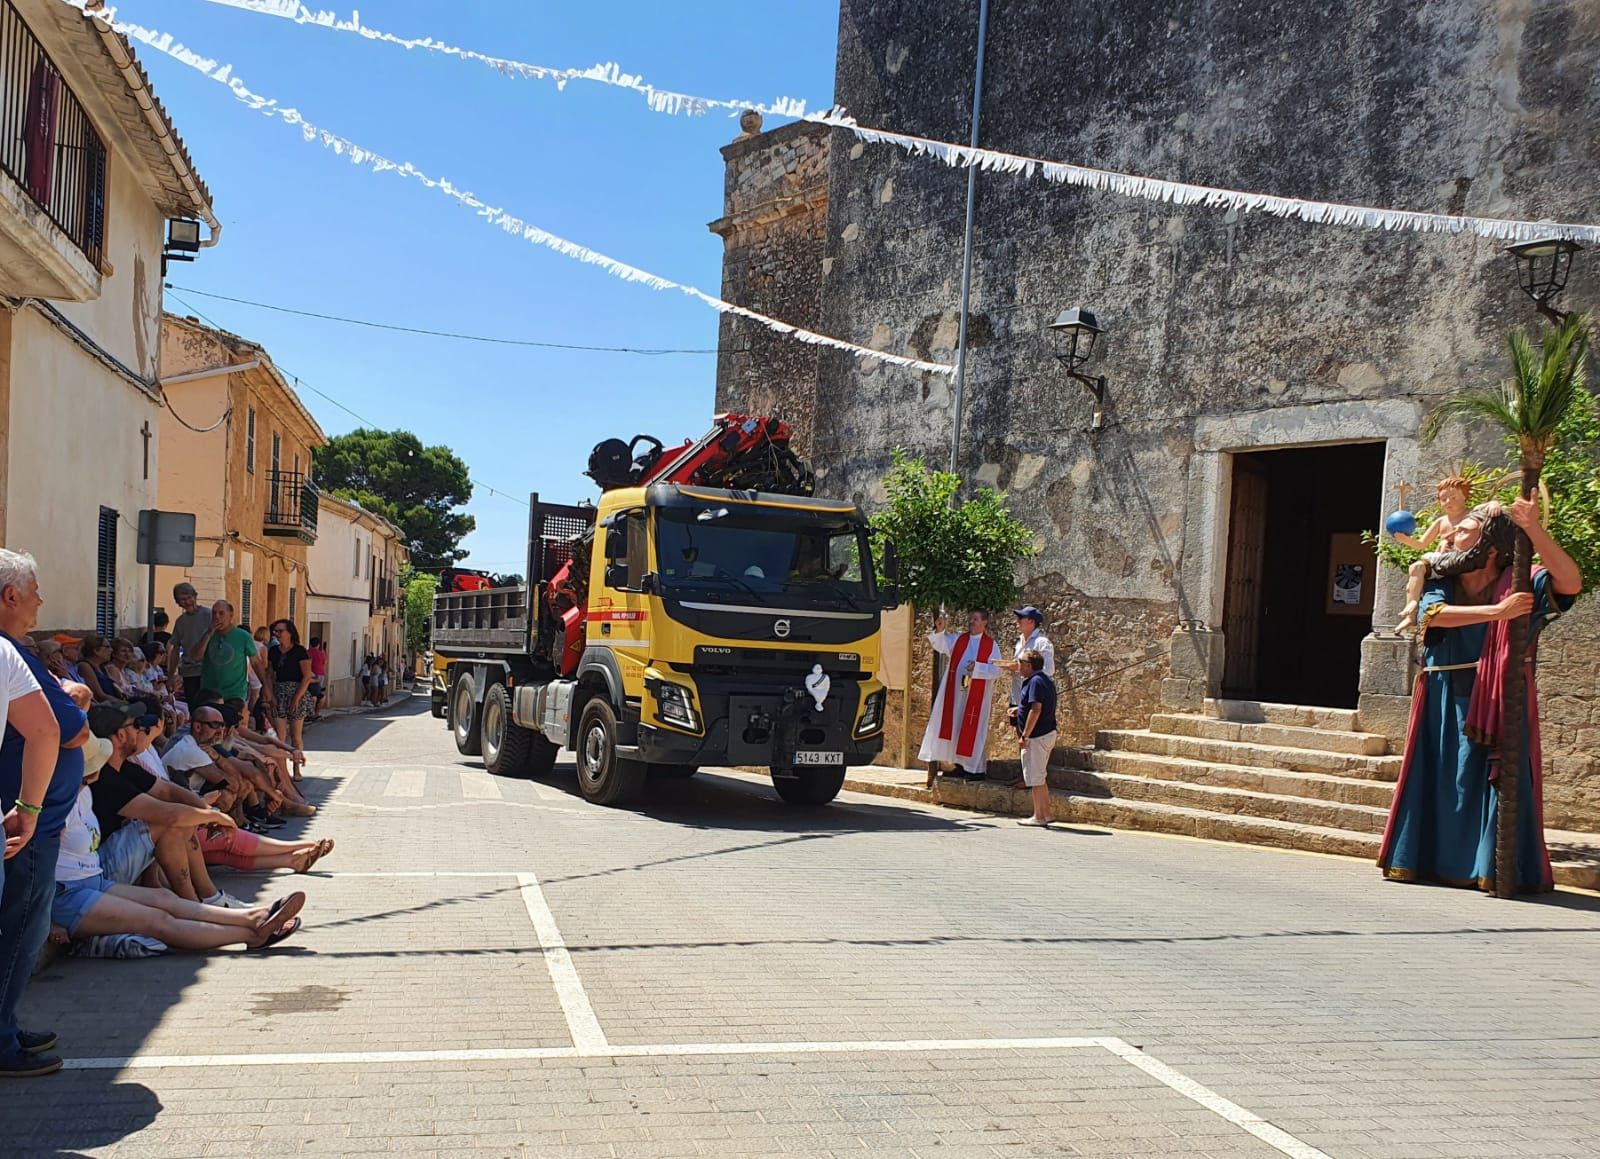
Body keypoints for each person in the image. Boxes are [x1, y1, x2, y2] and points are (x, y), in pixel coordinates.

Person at [1378, 497, 1582, 892]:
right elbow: (1431, 616)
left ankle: (1490, 867)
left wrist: (1534, 529)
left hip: (1501, 697)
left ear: (1490, 546)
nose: (1451, 534)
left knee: (1494, 782)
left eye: (1465, 530)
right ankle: (1423, 859)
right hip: (1442, 696)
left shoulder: (1522, 579)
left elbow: (1571, 581)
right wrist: (1497, 613)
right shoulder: (1441, 580)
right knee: (1438, 780)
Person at [52, 738, 304, 953]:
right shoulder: (54, 804)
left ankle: (252, 918)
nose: (101, 766)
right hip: (64, 893)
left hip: (92, 880)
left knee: (163, 898)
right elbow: (29, 866)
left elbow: (168, 795)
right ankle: (251, 935)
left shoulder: (83, 791)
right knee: (157, 920)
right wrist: (46, 921)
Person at [0, 549, 83, 1078]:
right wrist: (29, 808)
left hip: (29, 822)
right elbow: (61, 727)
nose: (40, 601)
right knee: (21, 930)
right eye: (33, 592)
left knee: (21, 928)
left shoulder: (16, 653)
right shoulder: (10, 654)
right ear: (9, 596)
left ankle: (5, 1024)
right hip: (24, 827)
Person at [918, 610, 1003, 784]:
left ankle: (975, 769)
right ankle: (959, 765)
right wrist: (940, 630)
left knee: (973, 728)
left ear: (984, 623)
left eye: (976, 619)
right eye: (970, 618)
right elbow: (940, 645)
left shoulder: (991, 646)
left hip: (976, 698)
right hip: (956, 694)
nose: (971, 622)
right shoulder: (959, 639)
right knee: (956, 726)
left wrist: (978, 668)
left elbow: (997, 670)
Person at [1391, 474, 1474, 633]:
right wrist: (1405, 539)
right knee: (1416, 568)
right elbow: (1422, 544)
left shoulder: (1473, 516)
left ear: (1465, 496)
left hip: (1463, 559)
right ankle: (1411, 612)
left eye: (1453, 497)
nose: (1448, 502)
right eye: (1444, 499)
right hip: (1441, 560)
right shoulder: (1441, 521)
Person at [1012, 649, 1058, 827]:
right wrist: (1019, 709)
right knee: (1040, 775)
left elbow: (1036, 709)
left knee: (1035, 777)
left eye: (1021, 662)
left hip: (1037, 736)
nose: (1018, 665)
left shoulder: (1035, 682)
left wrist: (1025, 735)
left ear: (1029, 665)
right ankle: (1046, 813)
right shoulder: (1042, 680)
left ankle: (1038, 816)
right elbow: (1034, 704)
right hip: (1046, 733)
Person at [194, 601, 256, 711]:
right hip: (210, 692)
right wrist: (208, 634)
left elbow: (256, 662)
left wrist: (265, 686)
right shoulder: (207, 634)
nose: (217, 617)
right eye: (214, 613)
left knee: (230, 723)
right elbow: (196, 657)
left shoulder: (243, 636)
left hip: (234, 693)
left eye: (221, 613)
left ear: (230, 615)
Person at [998, 606, 1055, 710]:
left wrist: (1019, 667)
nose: (1017, 621)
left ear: (1031, 621)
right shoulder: (1020, 642)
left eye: (1021, 618)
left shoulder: (1042, 642)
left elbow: (1048, 670)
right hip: (1017, 696)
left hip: (1033, 699)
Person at [270, 621, 313, 753]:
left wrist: (296, 699)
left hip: (297, 692)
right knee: (279, 737)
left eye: (280, 631)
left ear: (290, 633)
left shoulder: (300, 651)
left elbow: (307, 676)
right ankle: (281, 770)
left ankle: (296, 769)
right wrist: (270, 694)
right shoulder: (273, 651)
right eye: (275, 631)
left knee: (295, 736)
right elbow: (270, 674)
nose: (277, 634)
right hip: (279, 693)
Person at [166, 583, 211, 706]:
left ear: (195, 596)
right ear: (177, 602)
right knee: (194, 706)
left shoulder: (209, 615)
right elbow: (175, 648)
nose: (186, 602)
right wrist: (171, 676)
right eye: (182, 599)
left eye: (189, 598)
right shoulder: (180, 622)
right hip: (190, 671)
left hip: (209, 670)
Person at [307, 636, 328, 720]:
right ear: (318, 645)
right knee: (317, 693)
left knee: (313, 693)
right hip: (320, 674)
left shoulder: (307, 652)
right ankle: (315, 713)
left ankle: (312, 713)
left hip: (310, 673)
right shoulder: (321, 653)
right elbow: (325, 662)